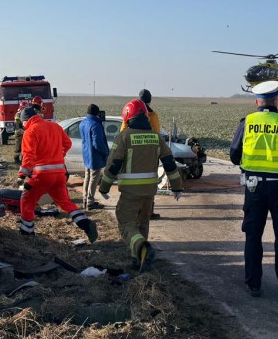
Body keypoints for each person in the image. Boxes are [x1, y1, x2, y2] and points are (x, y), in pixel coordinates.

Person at [229, 80, 278, 299]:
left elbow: (234, 156)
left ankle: (253, 284)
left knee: (253, 236)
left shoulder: (247, 122)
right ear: (276, 100)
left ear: (256, 101)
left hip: (254, 189)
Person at [99, 98, 183, 271]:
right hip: (149, 192)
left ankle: (142, 249)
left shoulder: (124, 137)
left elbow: (113, 164)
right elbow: (169, 163)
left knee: (126, 222)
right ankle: (138, 259)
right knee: (143, 223)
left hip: (130, 192)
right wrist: (176, 186)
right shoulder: (156, 137)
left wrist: (104, 187)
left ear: (128, 117)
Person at [18, 106, 97, 243]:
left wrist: (22, 175)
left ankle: (27, 233)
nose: (23, 126)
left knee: (27, 201)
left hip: (40, 175)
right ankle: (85, 223)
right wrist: (60, 155)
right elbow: (68, 143)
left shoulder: (30, 131)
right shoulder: (54, 126)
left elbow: (28, 155)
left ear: (26, 120)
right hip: (59, 174)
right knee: (65, 203)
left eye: (23, 123)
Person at [79, 104, 109, 210]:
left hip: (86, 154)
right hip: (95, 156)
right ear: (97, 113)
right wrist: (106, 153)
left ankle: (85, 199)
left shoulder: (83, 123)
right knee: (94, 178)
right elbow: (98, 143)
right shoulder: (96, 124)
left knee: (87, 177)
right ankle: (90, 201)